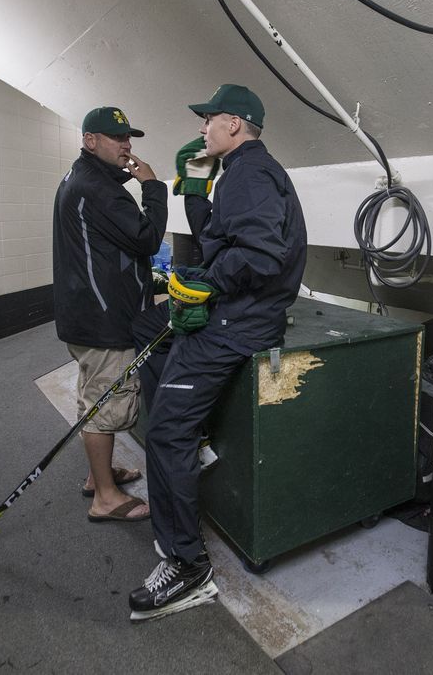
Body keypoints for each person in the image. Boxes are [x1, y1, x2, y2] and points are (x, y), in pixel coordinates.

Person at [128, 84, 307, 621]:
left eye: (208, 121)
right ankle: (190, 430)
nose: (201, 129)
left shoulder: (252, 171)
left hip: (241, 323)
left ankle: (188, 568)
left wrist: (208, 288)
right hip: (235, 309)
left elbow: (260, 254)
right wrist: (195, 189)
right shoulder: (235, 174)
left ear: (233, 124)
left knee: (163, 432)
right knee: (147, 326)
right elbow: (214, 243)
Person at [52, 106, 168, 522]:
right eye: (117, 138)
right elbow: (148, 238)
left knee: (95, 398)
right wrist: (153, 187)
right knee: (109, 403)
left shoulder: (83, 178)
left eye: (128, 137)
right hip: (103, 322)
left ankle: (96, 476)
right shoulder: (98, 189)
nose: (127, 145)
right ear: (90, 141)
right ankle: (105, 497)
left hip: (84, 315)